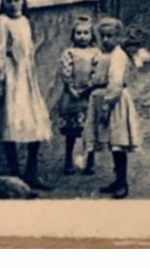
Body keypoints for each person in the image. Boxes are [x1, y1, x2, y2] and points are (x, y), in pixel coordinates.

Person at [0, 0, 54, 191]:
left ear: (23, 1)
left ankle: (31, 172)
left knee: (35, 123)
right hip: (11, 79)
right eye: (9, 1)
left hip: (26, 77)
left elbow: (28, 51)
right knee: (12, 123)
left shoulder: (24, 22)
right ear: (3, 3)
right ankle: (16, 174)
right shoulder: (1, 22)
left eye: (17, 0)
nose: (14, 4)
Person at [90, 16, 141, 199]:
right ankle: (117, 179)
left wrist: (106, 107)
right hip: (106, 100)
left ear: (118, 37)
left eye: (110, 36)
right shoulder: (106, 54)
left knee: (118, 143)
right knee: (113, 143)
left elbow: (116, 83)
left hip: (115, 102)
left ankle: (122, 182)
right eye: (102, 36)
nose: (105, 40)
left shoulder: (118, 56)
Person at [57, 16, 100, 176]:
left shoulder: (95, 52)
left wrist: (88, 87)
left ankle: (90, 161)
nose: (82, 36)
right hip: (72, 95)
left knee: (89, 131)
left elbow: (96, 72)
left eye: (86, 33)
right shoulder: (69, 52)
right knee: (71, 131)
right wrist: (71, 87)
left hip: (89, 96)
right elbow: (65, 70)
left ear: (91, 35)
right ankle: (68, 160)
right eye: (78, 33)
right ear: (73, 35)